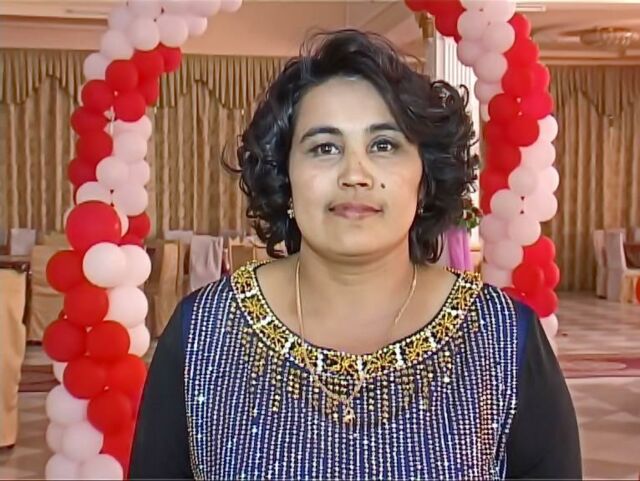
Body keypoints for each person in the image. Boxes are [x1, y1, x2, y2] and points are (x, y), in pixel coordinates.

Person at [129, 29, 581, 480]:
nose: (355, 174)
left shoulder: (501, 337)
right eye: (325, 148)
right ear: (285, 176)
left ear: (424, 178)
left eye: (384, 145)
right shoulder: (205, 332)